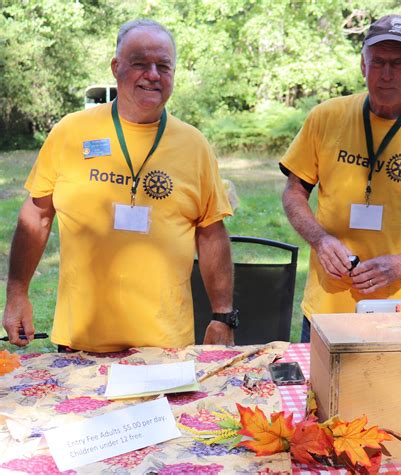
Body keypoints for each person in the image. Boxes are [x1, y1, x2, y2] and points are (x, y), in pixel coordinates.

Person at [2, 19, 239, 352]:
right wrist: (16, 294)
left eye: (163, 66)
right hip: (81, 341)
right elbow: (36, 215)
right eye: (140, 64)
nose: (153, 75)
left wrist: (223, 316)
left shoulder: (194, 145)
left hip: (165, 346)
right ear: (116, 67)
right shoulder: (71, 132)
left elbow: (212, 233)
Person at [280, 14, 401, 342]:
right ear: (362, 64)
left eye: (398, 63)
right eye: (378, 61)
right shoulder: (326, 118)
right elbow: (294, 191)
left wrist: (400, 264)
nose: (386, 75)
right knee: (316, 395)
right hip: (326, 310)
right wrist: (321, 240)